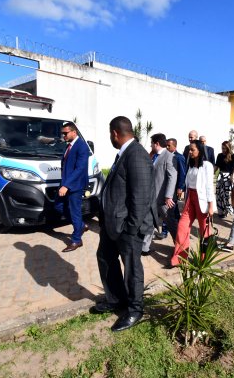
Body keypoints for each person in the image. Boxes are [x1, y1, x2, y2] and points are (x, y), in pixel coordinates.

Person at [94, 116, 157, 332]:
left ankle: (135, 309)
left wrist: (130, 229)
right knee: (105, 256)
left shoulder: (136, 155)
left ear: (114, 133)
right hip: (114, 224)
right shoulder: (124, 153)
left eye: (109, 134)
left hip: (128, 227)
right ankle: (116, 299)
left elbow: (140, 198)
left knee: (132, 267)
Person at [171, 140, 216, 267]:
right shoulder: (190, 165)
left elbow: (209, 187)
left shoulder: (207, 165)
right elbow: (188, 183)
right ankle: (179, 257)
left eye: (192, 150)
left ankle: (204, 260)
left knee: (204, 232)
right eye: (189, 150)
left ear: (200, 150)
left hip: (202, 201)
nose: (189, 152)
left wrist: (211, 206)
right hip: (190, 199)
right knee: (182, 226)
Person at [55, 122, 89, 252]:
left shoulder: (82, 146)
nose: (63, 135)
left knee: (75, 212)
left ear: (74, 132)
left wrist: (66, 185)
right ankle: (80, 225)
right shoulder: (69, 145)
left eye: (65, 133)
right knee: (58, 206)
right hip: (65, 182)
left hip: (74, 185)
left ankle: (76, 240)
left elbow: (80, 169)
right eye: (62, 133)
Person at [142, 133, 177, 254]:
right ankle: (145, 248)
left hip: (163, 199)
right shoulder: (153, 156)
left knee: (171, 223)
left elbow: (172, 176)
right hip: (151, 197)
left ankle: (180, 248)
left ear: (156, 144)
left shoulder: (169, 156)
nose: (151, 145)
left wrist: (168, 195)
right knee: (149, 222)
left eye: (152, 143)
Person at [215, 140, 234, 218]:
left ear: (228, 148)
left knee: (226, 195)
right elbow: (216, 167)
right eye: (222, 148)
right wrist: (210, 173)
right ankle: (220, 212)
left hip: (228, 177)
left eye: (224, 148)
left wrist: (233, 176)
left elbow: (233, 168)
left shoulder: (233, 156)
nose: (223, 150)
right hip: (220, 176)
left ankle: (228, 210)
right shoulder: (219, 155)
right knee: (219, 194)